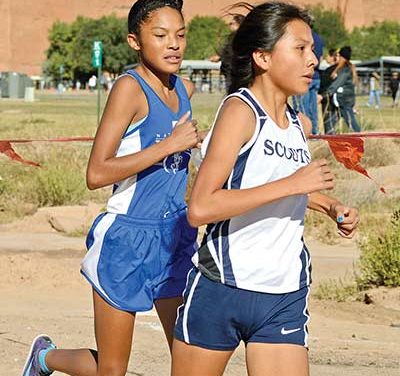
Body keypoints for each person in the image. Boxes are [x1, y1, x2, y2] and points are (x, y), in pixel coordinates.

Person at [172, 3, 359, 376]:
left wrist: (329, 205)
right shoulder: (240, 111)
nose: (313, 60)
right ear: (263, 57)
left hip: (283, 291)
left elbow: (272, 185)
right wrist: (294, 183)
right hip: (223, 286)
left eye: (313, 50)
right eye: (300, 49)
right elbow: (201, 208)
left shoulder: (294, 122)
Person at [22, 1, 200, 376]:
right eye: (161, 35)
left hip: (175, 236)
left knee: (192, 359)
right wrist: (168, 145)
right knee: (113, 369)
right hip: (127, 239)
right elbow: (96, 173)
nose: (174, 45)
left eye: (181, 35)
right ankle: (45, 358)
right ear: (135, 41)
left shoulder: (184, 87)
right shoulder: (128, 89)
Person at [326, 46, 361, 132]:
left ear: (342, 57)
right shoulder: (345, 68)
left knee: (352, 123)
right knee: (330, 123)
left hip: (344, 100)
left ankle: (360, 137)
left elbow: (338, 83)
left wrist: (326, 94)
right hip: (342, 100)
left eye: (339, 56)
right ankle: (328, 138)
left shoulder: (345, 69)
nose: (337, 58)